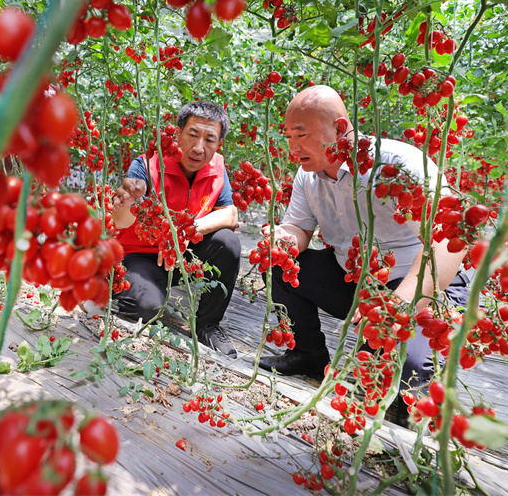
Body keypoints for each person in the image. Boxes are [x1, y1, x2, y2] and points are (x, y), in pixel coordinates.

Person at [260, 86, 470, 420]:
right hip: (357, 282)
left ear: (340, 130)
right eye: (288, 136)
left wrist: (399, 303)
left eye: (302, 135)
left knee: (405, 377)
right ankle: (308, 355)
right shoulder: (307, 174)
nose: (292, 146)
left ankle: (410, 402)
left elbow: (449, 238)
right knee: (280, 266)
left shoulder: (400, 163)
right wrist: (283, 239)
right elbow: (299, 229)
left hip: (418, 286)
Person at [111, 101, 241, 358]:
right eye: (192, 135)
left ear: (218, 145)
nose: (198, 147)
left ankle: (208, 325)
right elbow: (121, 222)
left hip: (182, 254)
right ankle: (121, 283)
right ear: (177, 134)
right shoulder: (147, 166)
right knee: (146, 309)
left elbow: (231, 214)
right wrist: (126, 202)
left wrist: (181, 232)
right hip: (141, 255)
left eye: (210, 139)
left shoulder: (217, 169)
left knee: (228, 242)